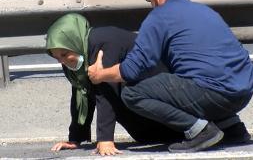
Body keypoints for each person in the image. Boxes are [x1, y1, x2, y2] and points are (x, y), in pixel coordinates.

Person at [88, 0, 253, 153]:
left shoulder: (159, 17)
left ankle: (201, 131)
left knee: (132, 93)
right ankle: (233, 128)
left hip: (214, 92)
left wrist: (100, 75)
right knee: (189, 74)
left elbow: (132, 70)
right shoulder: (205, 11)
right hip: (245, 89)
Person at [45, 13, 183, 156]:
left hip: (168, 97)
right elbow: (81, 94)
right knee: (145, 136)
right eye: (56, 57)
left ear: (75, 41)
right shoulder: (77, 54)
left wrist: (105, 139)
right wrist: (75, 139)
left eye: (64, 54)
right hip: (146, 119)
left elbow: (106, 91)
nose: (61, 62)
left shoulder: (104, 43)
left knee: (106, 84)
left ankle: (190, 130)